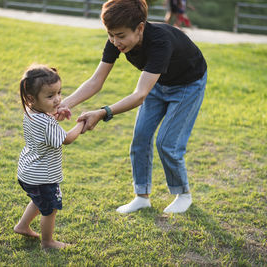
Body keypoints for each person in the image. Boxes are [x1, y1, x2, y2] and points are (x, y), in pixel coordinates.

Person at [57, 0, 207, 214]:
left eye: (120, 36)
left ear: (140, 28)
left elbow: (139, 95)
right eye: (110, 34)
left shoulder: (160, 42)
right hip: (158, 82)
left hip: (187, 85)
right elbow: (96, 81)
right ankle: (142, 196)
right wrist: (65, 104)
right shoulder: (116, 39)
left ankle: (183, 194)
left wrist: (102, 113)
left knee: (166, 143)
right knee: (140, 137)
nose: (115, 41)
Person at [14, 64, 84, 249]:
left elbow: (47, 124)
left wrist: (54, 115)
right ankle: (47, 242)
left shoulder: (31, 111)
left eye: (59, 92)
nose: (58, 99)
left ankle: (22, 226)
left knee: (39, 201)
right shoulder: (46, 122)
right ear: (31, 97)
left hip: (28, 172)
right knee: (50, 208)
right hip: (43, 176)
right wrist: (81, 125)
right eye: (50, 96)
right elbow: (67, 139)